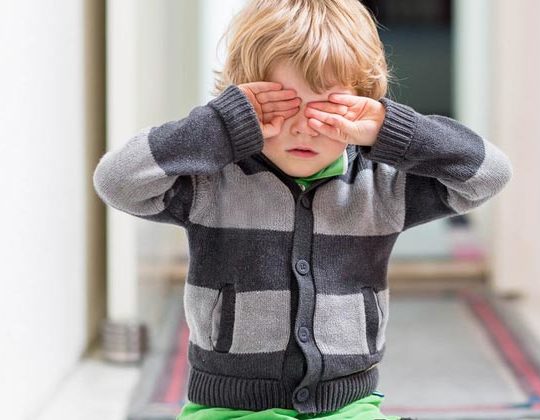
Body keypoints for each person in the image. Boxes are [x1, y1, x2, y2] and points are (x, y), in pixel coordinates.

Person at [92, 0, 514, 418]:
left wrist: (391, 129)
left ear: (359, 109)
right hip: (229, 408)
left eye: (327, 109)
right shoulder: (213, 181)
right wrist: (220, 125)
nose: (302, 126)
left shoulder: (380, 186)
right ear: (246, 106)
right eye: (282, 105)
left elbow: (489, 174)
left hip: (348, 406)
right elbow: (117, 181)